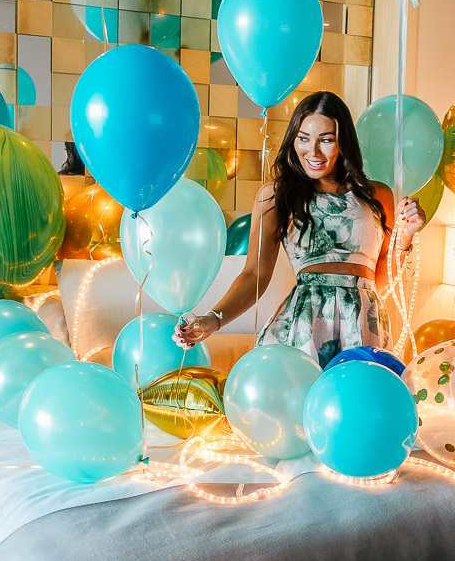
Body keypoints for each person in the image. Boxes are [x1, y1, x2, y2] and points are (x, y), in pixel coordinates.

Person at [174, 91, 426, 367]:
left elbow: (376, 280)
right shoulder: (275, 195)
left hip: (365, 327)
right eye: (303, 138)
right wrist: (213, 319)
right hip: (303, 329)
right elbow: (254, 274)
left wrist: (406, 235)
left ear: (344, 143)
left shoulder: (377, 195)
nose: (313, 151)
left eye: (326, 140)